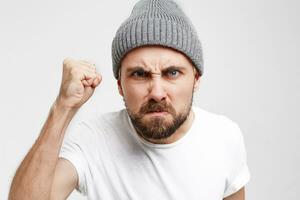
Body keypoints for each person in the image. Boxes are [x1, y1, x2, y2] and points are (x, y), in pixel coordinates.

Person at [9, 0, 250, 199]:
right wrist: (63, 108)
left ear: (196, 79)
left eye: (172, 73)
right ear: (120, 86)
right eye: (139, 74)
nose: (157, 92)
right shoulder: (93, 140)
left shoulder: (225, 136)